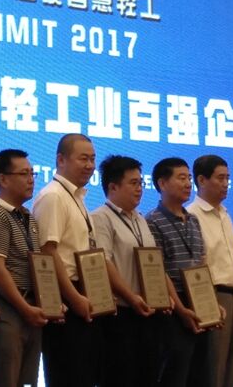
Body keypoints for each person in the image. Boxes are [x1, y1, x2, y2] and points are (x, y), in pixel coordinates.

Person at [32, 134, 102, 387]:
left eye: (92, 159)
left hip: (84, 294)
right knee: (68, 374)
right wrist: (74, 297)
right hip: (65, 297)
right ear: (61, 160)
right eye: (83, 158)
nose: (90, 165)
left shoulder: (77, 197)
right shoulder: (53, 196)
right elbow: (48, 252)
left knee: (84, 374)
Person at [92, 155, 166, 386]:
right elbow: (103, 262)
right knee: (120, 376)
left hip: (147, 310)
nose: (139, 189)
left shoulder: (140, 219)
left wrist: (164, 296)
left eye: (140, 183)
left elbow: (153, 261)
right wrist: (131, 297)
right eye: (133, 183)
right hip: (121, 313)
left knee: (148, 376)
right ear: (113, 187)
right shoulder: (100, 218)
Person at [0, 149, 47, 387]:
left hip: (31, 308)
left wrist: (49, 301)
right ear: (3, 179)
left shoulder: (28, 216)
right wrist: (24, 308)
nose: (31, 180)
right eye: (23, 174)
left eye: (32, 174)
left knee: (27, 382)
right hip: (7, 310)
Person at [145, 157, 210, 387]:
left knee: (200, 374)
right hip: (173, 306)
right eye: (181, 178)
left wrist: (210, 301)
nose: (188, 184)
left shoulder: (193, 219)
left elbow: (201, 261)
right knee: (175, 372)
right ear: (162, 184)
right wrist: (181, 309)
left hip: (199, 302)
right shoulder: (152, 221)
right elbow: (159, 271)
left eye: (189, 178)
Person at [187, 155, 233, 387]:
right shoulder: (192, 215)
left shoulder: (225, 213)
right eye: (220, 178)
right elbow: (198, 265)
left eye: (228, 178)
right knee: (214, 370)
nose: (226, 184)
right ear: (201, 180)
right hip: (215, 296)